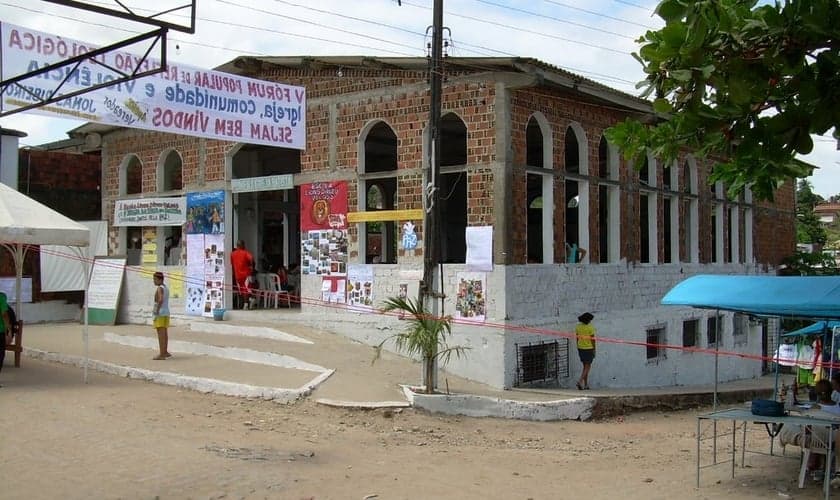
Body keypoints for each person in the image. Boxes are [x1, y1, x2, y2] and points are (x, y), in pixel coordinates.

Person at [152, 272, 171, 360]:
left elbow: (160, 300)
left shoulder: (160, 288)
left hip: (160, 313)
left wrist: (156, 310)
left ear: (160, 279)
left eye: (155, 279)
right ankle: (165, 351)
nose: (154, 281)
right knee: (165, 333)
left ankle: (162, 354)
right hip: (166, 312)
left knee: (160, 334)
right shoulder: (166, 288)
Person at [230, 240, 254, 309]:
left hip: (237, 275)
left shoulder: (232, 254)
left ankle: (246, 303)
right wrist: (251, 266)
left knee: (242, 290)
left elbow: (232, 264)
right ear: (243, 245)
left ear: (237, 245)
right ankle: (248, 302)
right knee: (247, 289)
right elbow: (251, 258)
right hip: (246, 274)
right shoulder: (245, 253)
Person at [575, 312, 596, 390]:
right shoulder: (590, 327)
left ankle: (586, 385)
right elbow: (593, 340)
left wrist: (577, 346)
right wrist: (594, 349)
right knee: (588, 366)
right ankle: (580, 381)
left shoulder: (578, 327)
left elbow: (577, 338)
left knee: (585, 367)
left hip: (580, 348)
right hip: (589, 348)